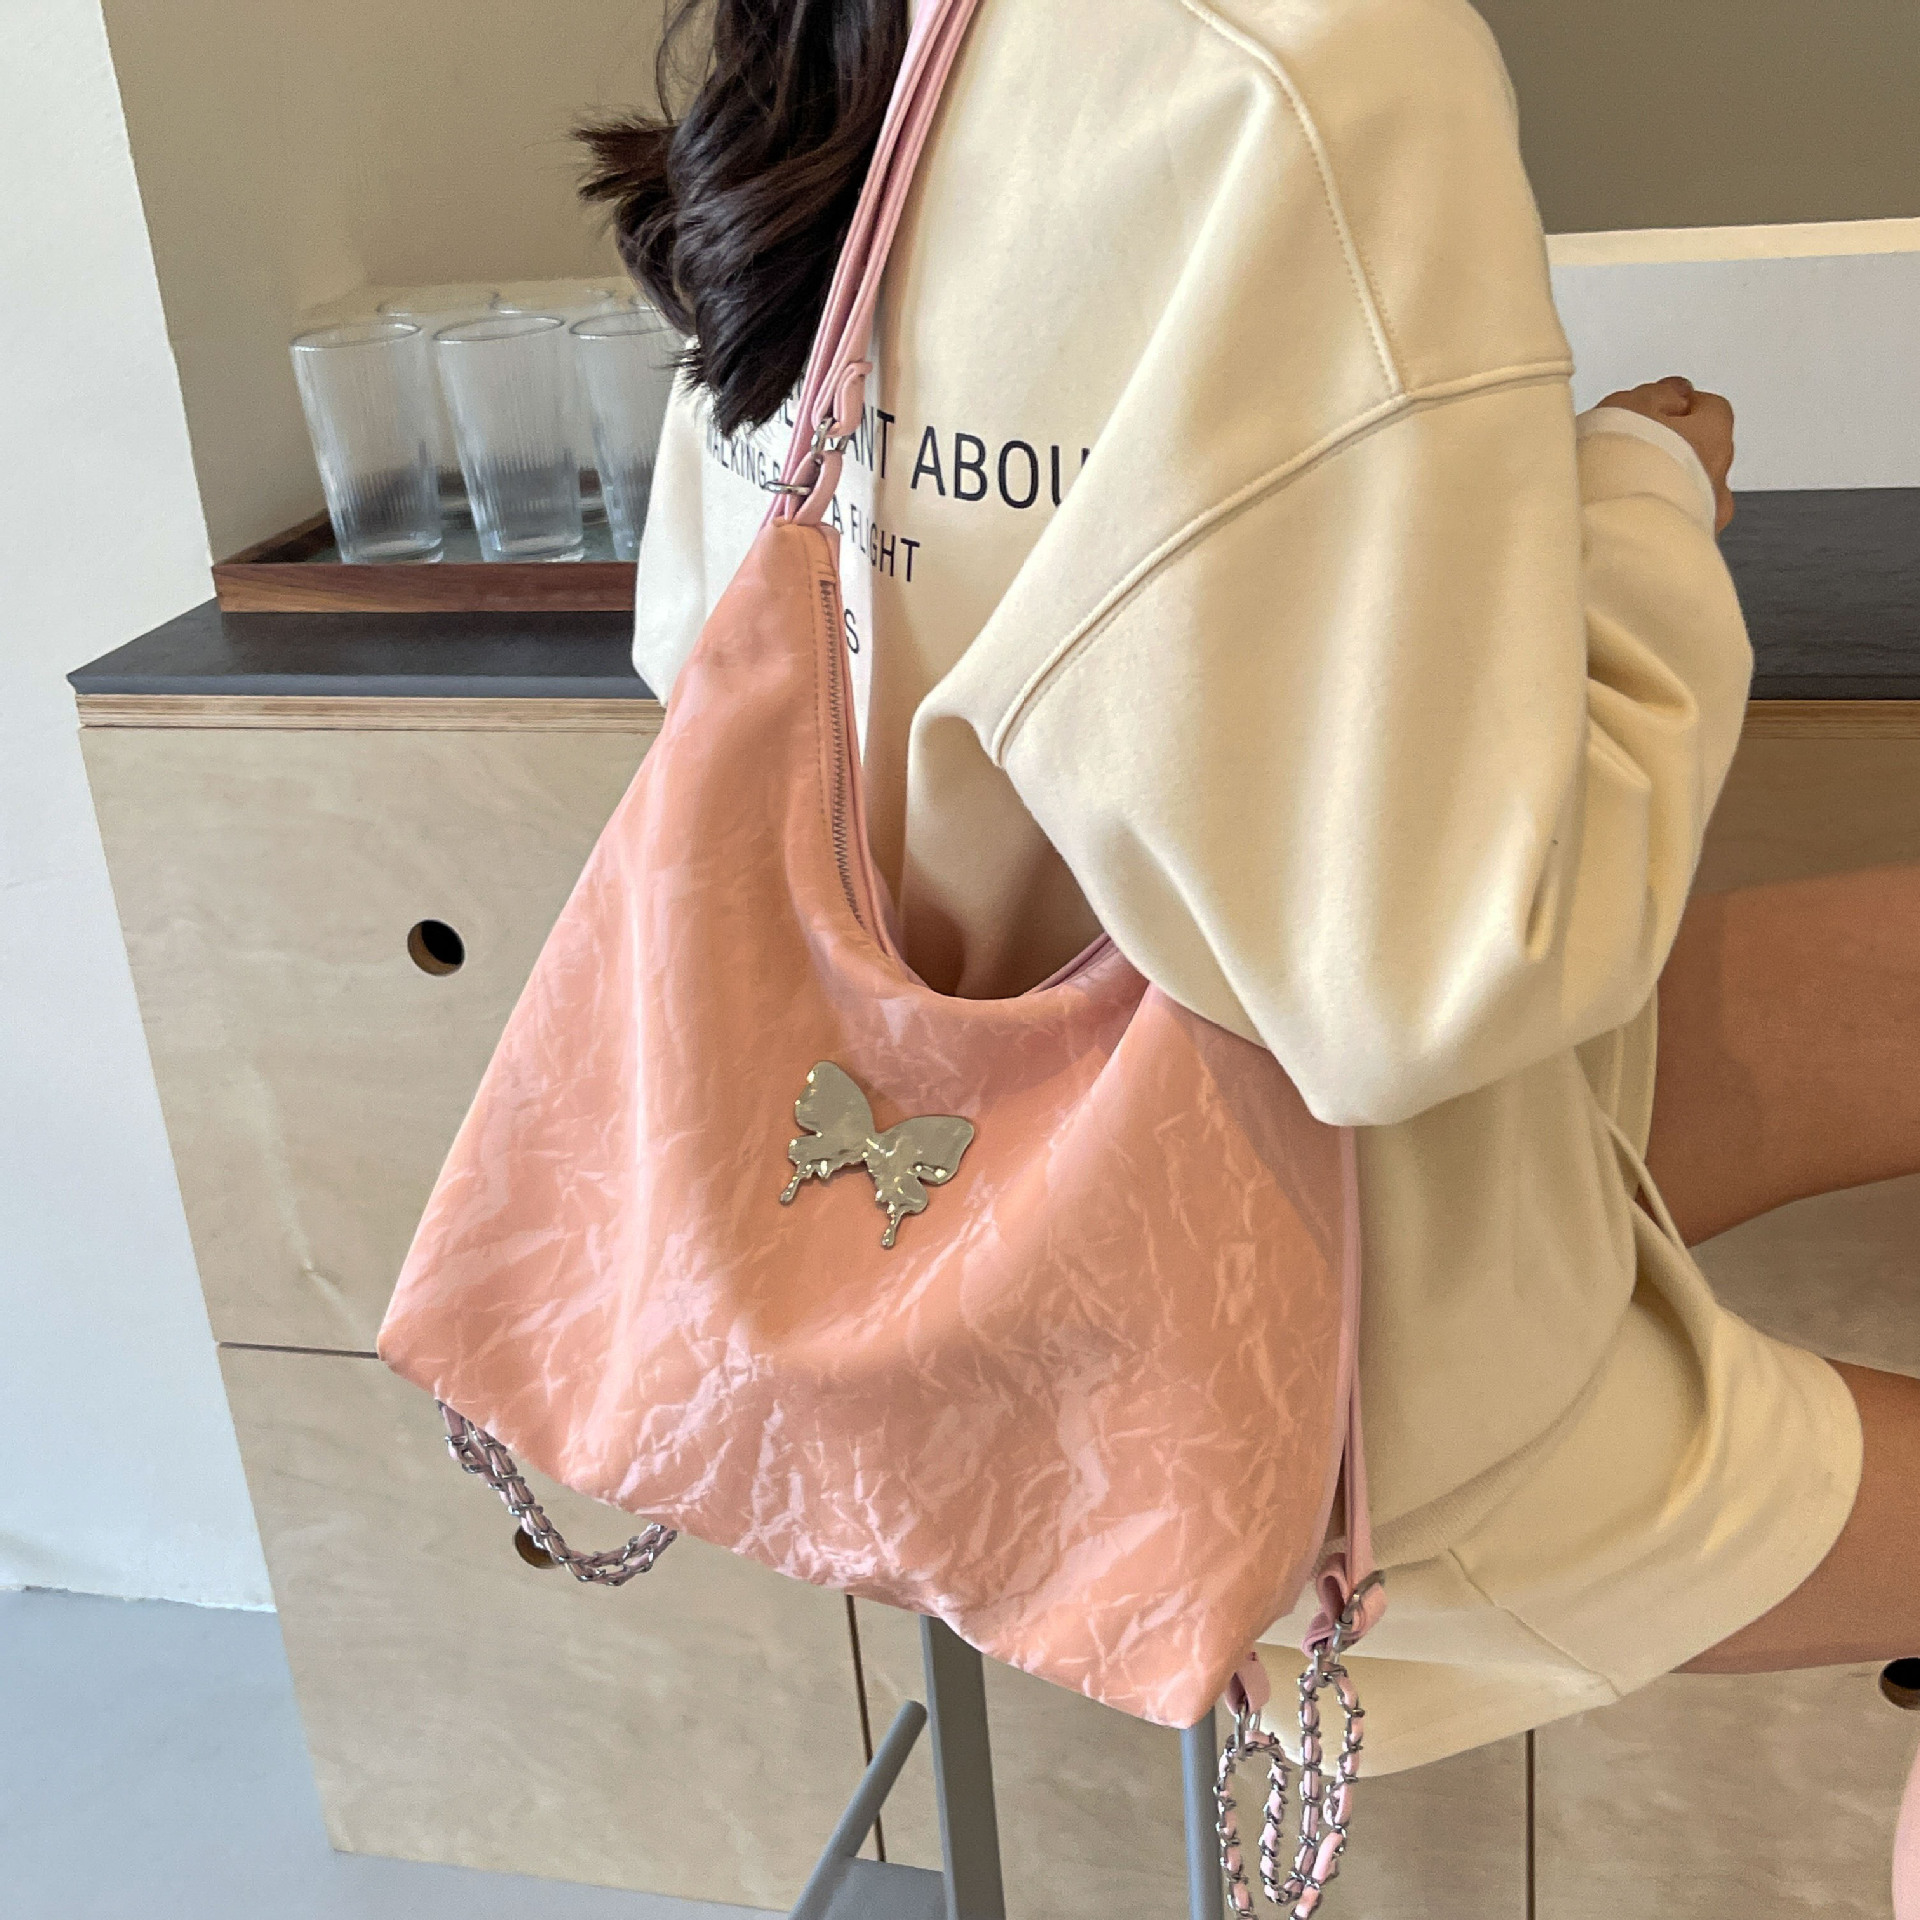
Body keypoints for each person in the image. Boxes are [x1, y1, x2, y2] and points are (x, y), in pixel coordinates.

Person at [585, 0, 1920, 1787]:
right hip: (1328, 1355)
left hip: (993, 1245)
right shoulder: (1328, 60)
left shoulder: (887, 35)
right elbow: (1434, 980)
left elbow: (707, 640)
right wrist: (1643, 505)